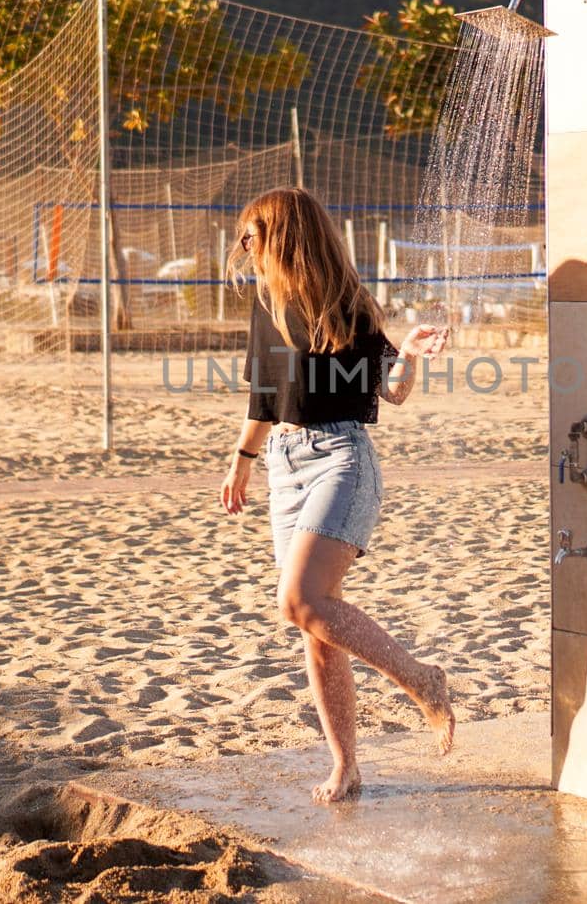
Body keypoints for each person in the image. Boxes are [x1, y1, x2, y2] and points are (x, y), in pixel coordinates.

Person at [220, 187, 455, 803]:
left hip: (341, 460)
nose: (244, 248)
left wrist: (406, 353)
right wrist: (243, 461)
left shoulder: (348, 305)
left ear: (285, 236)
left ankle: (423, 681)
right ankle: (346, 766)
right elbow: (264, 399)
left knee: (299, 600)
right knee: (316, 625)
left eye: (253, 236)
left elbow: (392, 393)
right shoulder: (266, 305)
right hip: (284, 465)